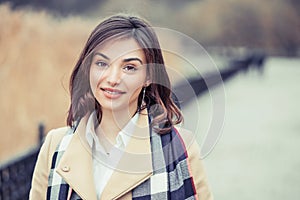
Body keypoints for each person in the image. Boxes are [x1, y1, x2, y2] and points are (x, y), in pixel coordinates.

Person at [30, 15, 213, 200]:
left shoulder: (180, 148)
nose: (113, 78)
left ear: (149, 76)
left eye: (129, 67)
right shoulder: (55, 146)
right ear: (88, 69)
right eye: (102, 64)